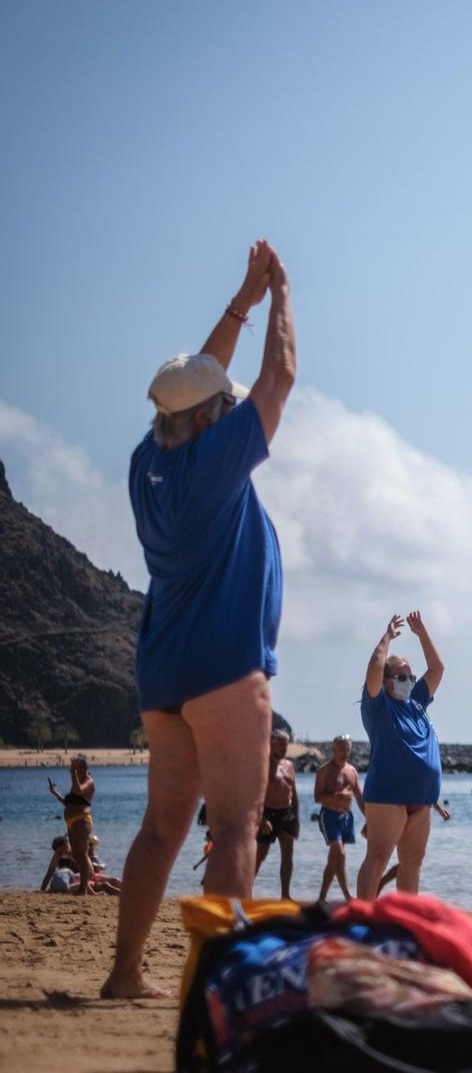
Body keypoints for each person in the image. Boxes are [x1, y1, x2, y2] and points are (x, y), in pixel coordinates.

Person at [103, 240, 296, 1000]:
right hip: (224, 667)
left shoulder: (146, 463)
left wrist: (239, 303)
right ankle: (216, 989)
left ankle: (124, 974)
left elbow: (192, 390)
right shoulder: (217, 462)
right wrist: (283, 296)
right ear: (216, 419)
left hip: (164, 672)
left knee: (162, 829)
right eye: (224, 405)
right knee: (237, 828)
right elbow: (278, 379)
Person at [355, 612, 446, 900]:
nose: (408, 681)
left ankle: (406, 922)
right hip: (388, 795)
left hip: (422, 798)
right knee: (378, 858)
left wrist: (422, 634)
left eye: (410, 676)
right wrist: (386, 639)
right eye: (401, 677)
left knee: (412, 864)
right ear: (387, 681)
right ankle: (364, 918)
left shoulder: (416, 701)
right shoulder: (379, 705)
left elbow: (437, 669)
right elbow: (373, 670)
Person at [313, 734, 361, 903]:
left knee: (334, 859)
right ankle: (348, 896)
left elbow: (359, 797)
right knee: (339, 854)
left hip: (347, 818)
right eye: (341, 749)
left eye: (347, 749)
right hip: (329, 816)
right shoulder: (324, 771)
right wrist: (337, 797)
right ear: (333, 749)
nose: (344, 753)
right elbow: (317, 798)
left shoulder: (352, 771)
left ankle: (321, 898)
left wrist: (370, 820)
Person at [254, 728, 300, 899]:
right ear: (270, 745)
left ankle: (285, 894)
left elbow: (293, 793)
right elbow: (255, 794)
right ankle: (246, 890)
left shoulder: (289, 765)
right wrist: (262, 818)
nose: (283, 748)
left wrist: (297, 819)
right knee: (261, 854)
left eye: (285, 745)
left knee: (288, 853)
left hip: (286, 813)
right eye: (279, 745)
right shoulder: (263, 765)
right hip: (268, 813)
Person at [48, 755, 94, 882]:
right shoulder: (75, 784)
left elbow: (79, 790)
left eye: (75, 768)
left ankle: (84, 887)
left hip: (81, 820)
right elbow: (69, 804)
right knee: (77, 855)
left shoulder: (88, 781)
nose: (72, 771)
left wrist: (73, 772)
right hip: (72, 822)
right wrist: (56, 794)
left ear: (82, 769)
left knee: (82, 854)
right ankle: (83, 886)